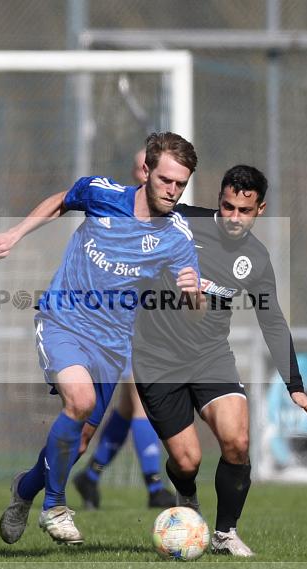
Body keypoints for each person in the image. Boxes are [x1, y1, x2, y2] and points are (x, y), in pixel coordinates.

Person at [0, 132, 202, 546]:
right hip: (63, 320)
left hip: (113, 344)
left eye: (181, 184)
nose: (172, 191)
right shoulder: (103, 193)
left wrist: (193, 295)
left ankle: (25, 489)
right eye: (165, 180)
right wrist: (14, 234)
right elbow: (62, 200)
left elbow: (196, 308)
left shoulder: (177, 235)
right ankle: (54, 506)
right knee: (80, 401)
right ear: (146, 172)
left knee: (81, 440)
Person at [130, 164, 307, 557]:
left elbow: (272, 320)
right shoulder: (181, 222)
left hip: (210, 356)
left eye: (244, 211)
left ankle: (225, 533)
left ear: (260, 209)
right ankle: (185, 492)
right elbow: (134, 212)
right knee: (187, 461)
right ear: (219, 200)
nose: (234, 217)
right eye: (227, 207)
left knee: (237, 441)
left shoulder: (257, 259)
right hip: (157, 359)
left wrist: (295, 385)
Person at [73, 147, 177, 510]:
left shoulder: (169, 220)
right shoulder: (118, 213)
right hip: (119, 326)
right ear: (141, 173)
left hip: (149, 324)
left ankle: (91, 476)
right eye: (143, 168)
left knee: (128, 406)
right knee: (139, 401)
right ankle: (154, 486)